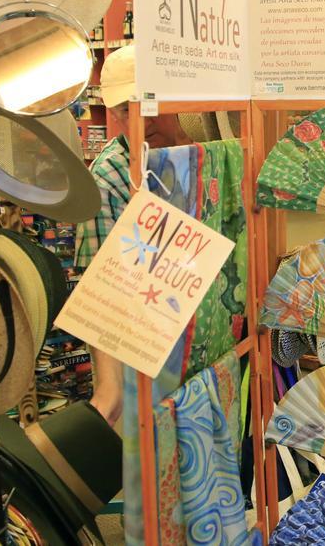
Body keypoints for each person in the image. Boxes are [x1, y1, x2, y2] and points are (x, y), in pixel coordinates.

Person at [75, 90, 191, 426]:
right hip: (139, 353)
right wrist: (111, 390)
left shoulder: (197, 156)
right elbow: (100, 292)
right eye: (128, 111)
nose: (144, 120)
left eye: (154, 107)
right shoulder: (107, 178)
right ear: (115, 114)